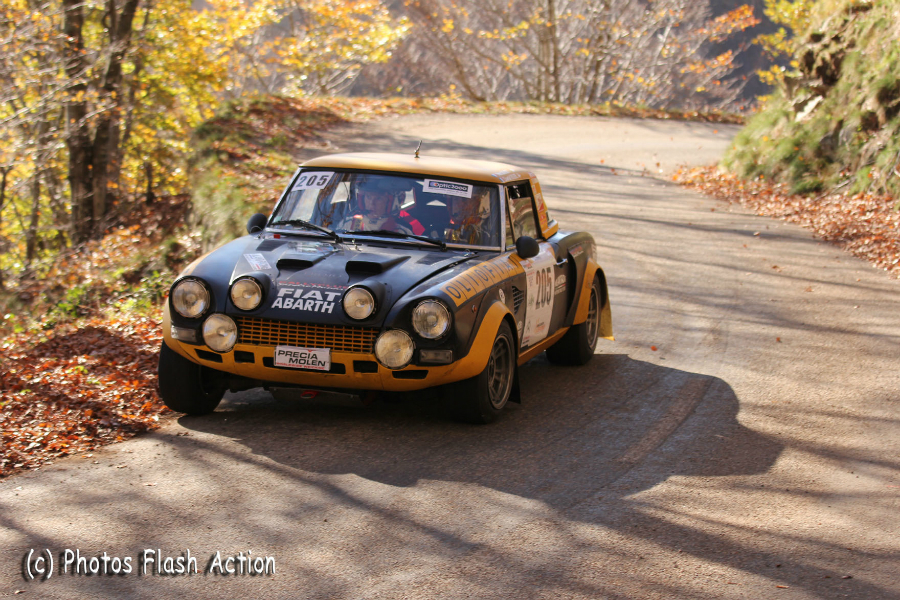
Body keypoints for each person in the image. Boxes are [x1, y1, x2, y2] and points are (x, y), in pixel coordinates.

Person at [345, 177, 415, 234]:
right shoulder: (349, 224)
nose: (371, 203)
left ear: (390, 203)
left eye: (379, 198)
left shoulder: (402, 233)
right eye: (368, 197)